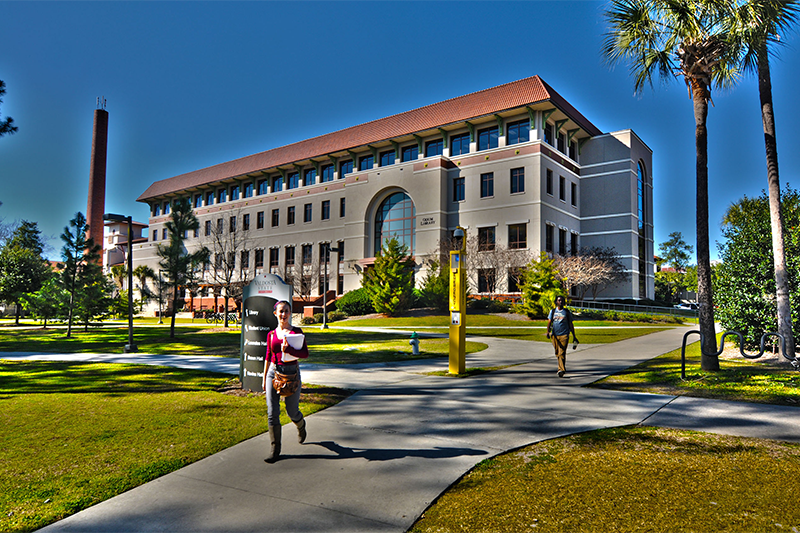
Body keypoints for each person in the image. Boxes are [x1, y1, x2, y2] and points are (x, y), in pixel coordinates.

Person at [262, 300, 309, 463]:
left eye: (287, 311)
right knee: (272, 412)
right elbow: (268, 356)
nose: (284, 314)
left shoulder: (296, 332)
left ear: (290, 313)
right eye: (281, 311)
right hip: (273, 373)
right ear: (275, 313)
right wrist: (264, 377)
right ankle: (275, 449)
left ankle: (301, 424)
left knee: (292, 411)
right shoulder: (271, 334)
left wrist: (288, 349)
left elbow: (304, 354)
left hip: (291, 374)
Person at [546, 295, 578, 378]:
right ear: (556, 302)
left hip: (564, 335)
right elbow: (549, 322)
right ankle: (561, 368)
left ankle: (561, 370)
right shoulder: (552, 311)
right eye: (559, 300)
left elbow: (571, 324)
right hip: (555, 335)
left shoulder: (566, 312)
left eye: (562, 300)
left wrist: (574, 336)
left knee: (562, 352)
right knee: (557, 352)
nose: (560, 302)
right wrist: (548, 332)